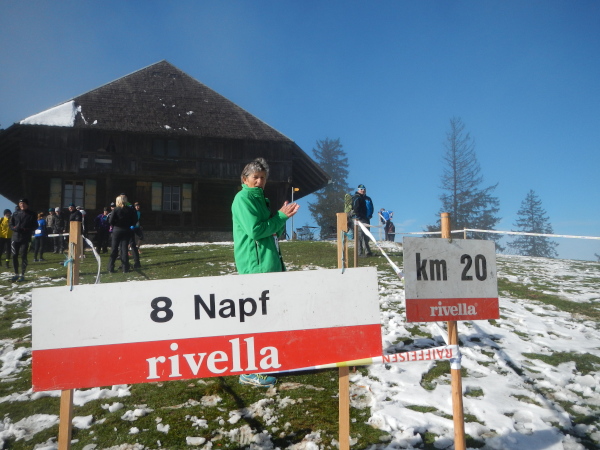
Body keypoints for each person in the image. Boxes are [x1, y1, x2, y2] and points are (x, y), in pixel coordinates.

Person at [231, 157, 299, 386]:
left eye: (263, 178)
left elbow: (270, 231)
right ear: (245, 179)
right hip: (256, 266)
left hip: (267, 264)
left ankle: (264, 362)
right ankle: (250, 371)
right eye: (255, 177)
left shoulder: (260, 200)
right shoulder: (243, 199)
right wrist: (280, 217)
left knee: (267, 319)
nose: (259, 181)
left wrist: (279, 217)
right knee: (256, 320)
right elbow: (256, 231)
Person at [9, 198, 37, 282]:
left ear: (27, 205)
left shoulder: (32, 214)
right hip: (15, 237)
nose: (22, 205)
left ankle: (22, 274)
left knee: (23, 255)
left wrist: (26, 229)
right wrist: (14, 228)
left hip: (25, 238)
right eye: (20, 203)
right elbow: (10, 224)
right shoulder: (15, 213)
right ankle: (16, 274)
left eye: (24, 203)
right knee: (14, 255)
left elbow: (35, 226)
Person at [107, 194, 137, 273]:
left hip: (117, 229)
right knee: (124, 249)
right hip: (126, 229)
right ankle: (125, 268)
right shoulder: (130, 210)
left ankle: (110, 267)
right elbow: (135, 219)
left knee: (114, 249)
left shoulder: (116, 209)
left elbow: (110, 221)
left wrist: (115, 224)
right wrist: (130, 224)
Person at [352, 184, 374, 257]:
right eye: (361, 189)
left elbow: (371, 207)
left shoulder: (368, 198)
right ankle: (359, 253)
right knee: (360, 236)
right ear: (358, 190)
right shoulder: (356, 197)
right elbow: (356, 208)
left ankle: (368, 252)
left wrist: (370, 215)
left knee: (367, 235)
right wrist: (358, 217)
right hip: (359, 219)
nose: (363, 190)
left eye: (364, 189)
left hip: (366, 218)